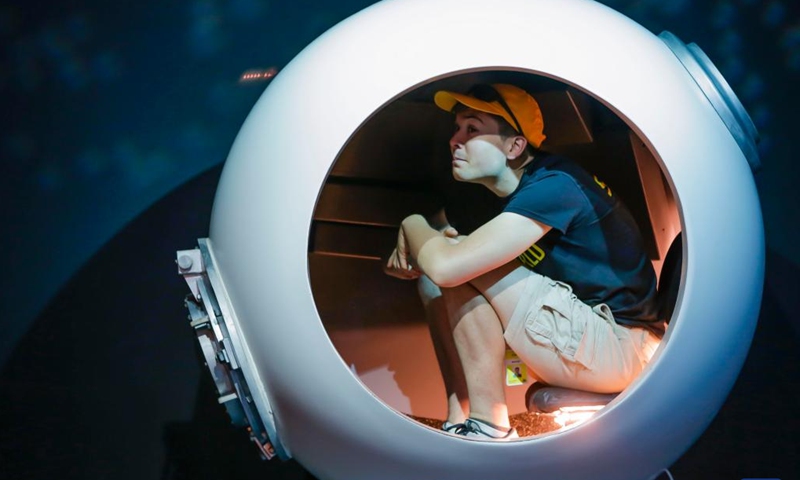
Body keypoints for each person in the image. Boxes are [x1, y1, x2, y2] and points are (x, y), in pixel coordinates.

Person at [385, 83, 662, 440]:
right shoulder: (488, 195)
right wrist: (417, 251)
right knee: (442, 271)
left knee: (457, 263)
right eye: (456, 128)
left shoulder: (555, 185)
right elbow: (420, 265)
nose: (455, 140)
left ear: (515, 146)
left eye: (472, 129)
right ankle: (461, 419)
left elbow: (445, 265)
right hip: (585, 341)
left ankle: (489, 427)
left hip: (624, 347)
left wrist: (411, 224)